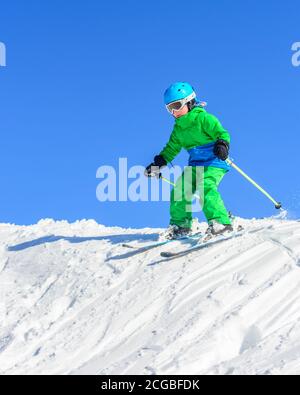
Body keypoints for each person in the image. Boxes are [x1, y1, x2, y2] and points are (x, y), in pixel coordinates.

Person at [144, 82, 233, 240]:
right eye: (169, 108)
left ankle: (221, 223)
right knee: (180, 189)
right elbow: (171, 148)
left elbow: (221, 133)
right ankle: (181, 225)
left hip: (214, 161)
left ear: (190, 101)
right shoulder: (178, 129)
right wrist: (159, 163)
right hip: (196, 165)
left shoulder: (203, 118)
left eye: (177, 105)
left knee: (204, 186)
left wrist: (222, 144)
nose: (173, 111)